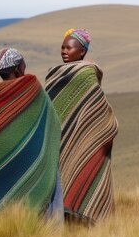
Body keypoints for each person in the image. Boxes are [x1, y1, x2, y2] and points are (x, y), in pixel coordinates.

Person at [0, 48, 63, 219]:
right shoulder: (31, 87)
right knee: (51, 176)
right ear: (19, 68)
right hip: (32, 161)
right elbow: (52, 121)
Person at [45, 29, 118, 223]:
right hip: (59, 142)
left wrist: (105, 128)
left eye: (69, 47)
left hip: (85, 143)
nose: (64, 51)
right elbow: (50, 109)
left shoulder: (87, 74)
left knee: (83, 180)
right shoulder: (54, 75)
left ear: (82, 51)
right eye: (62, 47)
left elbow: (98, 109)